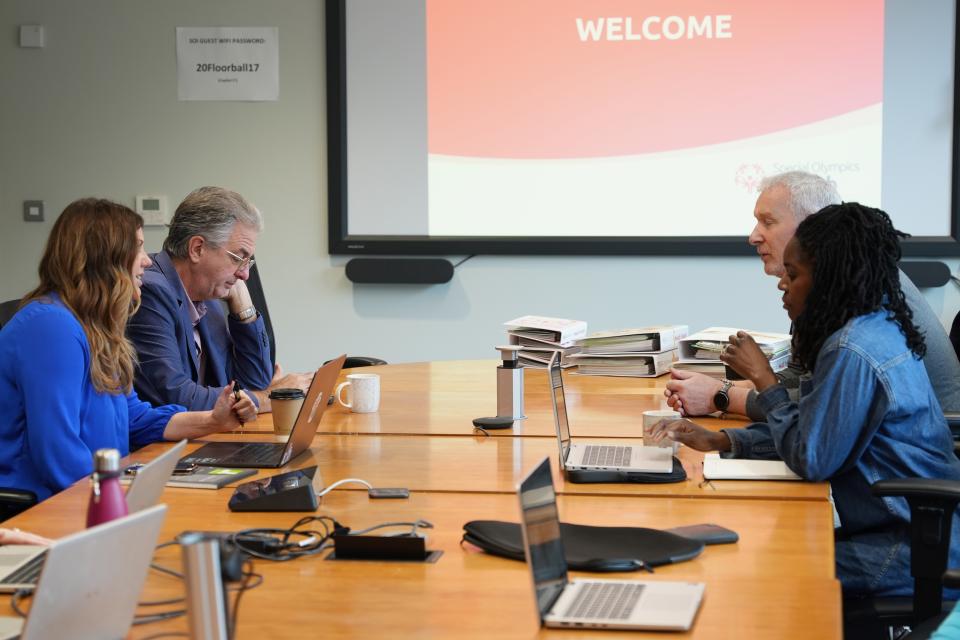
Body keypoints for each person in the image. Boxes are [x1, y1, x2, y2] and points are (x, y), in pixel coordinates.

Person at [649, 202, 960, 598]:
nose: (782, 284)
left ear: (829, 280)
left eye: (793, 275)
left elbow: (812, 458)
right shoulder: (862, 330)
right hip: (907, 531)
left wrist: (763, 378)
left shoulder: (853, 350)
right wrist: (726, 441)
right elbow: (818, 433)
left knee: (765, 569)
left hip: (915, 545)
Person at [0, 199, 245, 501]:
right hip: (42, 508)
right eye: (138, 247)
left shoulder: (95, 327)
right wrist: (124, 498)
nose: (145, 260)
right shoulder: (50, 327)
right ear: (106, 257)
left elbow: (134, 418)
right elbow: (58, 454)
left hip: (91, 491)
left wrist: (212, 420)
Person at [665, 171, 960, 418]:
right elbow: (801, 381)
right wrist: (719, 388)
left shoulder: (856, 288)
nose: (753, 236)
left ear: (813, 226)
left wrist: (722, 396)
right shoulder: (824, 281)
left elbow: (818, 406)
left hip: (912, 459)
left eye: (768, 222)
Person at [127, 186, 311, 416]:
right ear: (197, 249)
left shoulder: (208, 295)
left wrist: (244, 308)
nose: (244, 274)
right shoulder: (150, 292)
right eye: (238, 258)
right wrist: (270, 398)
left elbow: (255, 382)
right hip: (157, 448)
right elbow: (176, 398)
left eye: (248, 261)